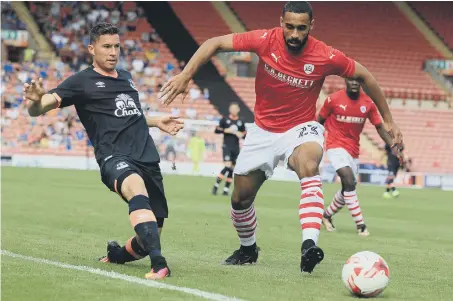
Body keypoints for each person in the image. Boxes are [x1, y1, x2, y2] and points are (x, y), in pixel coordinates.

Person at [158, 1, 403, 273]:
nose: (295, 34)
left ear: (311, 26)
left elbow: (364, 75)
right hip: (262, 131)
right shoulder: (264, 40)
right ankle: (248, 249)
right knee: (240, 200)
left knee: (309, 163)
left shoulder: (325, 55)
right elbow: (214, 43)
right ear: (281, 22)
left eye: (301, 28)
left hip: (300, 129)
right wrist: (185, 75)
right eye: (289, 27)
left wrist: (389, 120)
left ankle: (309, 246)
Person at [23, 22, 184, 280]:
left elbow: (130, 115)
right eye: (106, 46)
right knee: (136, 191)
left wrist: (156, 121)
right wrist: (34, 103)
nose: (113, 52)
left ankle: (117, 254)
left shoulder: (127, 78)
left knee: (148, 236)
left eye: (117, 46)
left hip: (147, 157)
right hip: (115, 158)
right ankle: (159, 265)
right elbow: (40, 107)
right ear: (91, 48)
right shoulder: (81, 81)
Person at [318, 78, 396, 236]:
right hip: (334, 146)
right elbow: (319, 120)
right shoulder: (333, 100)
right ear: (345, 81)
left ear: (361, 83)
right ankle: (361, 225)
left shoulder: (367, 103)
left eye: (357, 81)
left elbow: (379, 127)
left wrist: (393, 146)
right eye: (351, 80)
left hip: (353, 150)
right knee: (347, 179)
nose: (354, 83)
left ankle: (326, 216)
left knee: (348, 187)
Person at [212, 102, 246, 196]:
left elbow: (244, 134)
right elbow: (217, 130)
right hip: (226, 146)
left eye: (236, 108)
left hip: (236, 148)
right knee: (227, 166)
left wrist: (241, 134)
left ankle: (226, 190)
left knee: (232, 169)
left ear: (238, 110)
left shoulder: (241, 121)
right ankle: (216, 186)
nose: (234, 110)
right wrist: (226, 130)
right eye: (232, 108)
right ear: (230, 110)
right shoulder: (225, 119)